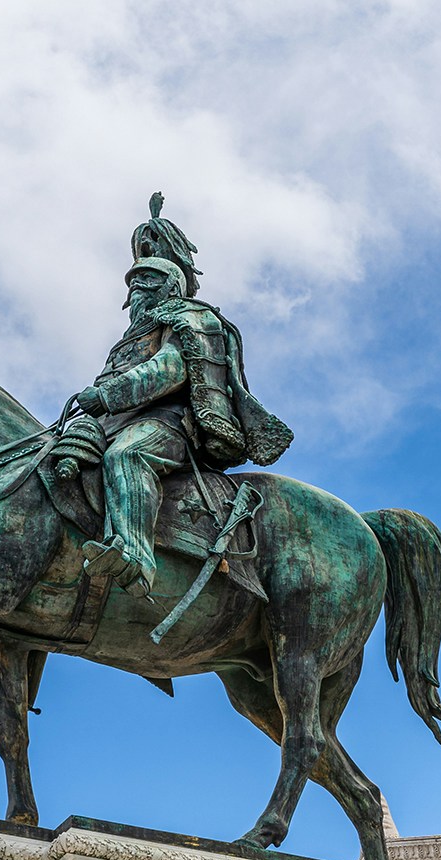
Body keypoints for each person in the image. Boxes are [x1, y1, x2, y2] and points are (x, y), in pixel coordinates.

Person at [73, 202, 290, 595]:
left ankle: (134, 555)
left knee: (127, 456)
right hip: (112, 421)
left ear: (171, 286)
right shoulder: (128, 339)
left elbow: (169, 371)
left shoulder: (188, 317)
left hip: (167, 425)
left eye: (148, 281)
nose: (137, 289)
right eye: (133, 283)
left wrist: (106, 395)